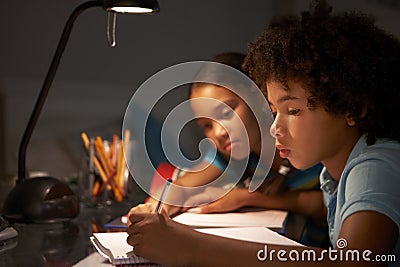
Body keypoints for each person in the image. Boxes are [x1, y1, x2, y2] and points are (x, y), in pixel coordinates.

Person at [126, 1, 400, 266]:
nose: (274, 127)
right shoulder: (335, 173)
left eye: (293, 111)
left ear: (352, 107)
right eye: (274, 110)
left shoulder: (374, 166)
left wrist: (189, 246)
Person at [133, 52, 328, 246]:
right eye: (206, 126)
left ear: (258, 97)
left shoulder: (306, 142)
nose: (218, 132)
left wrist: (245, 197)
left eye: (226, 113)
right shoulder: (230, 157)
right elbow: (183, 187)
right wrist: (152, 207)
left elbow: (325, 205)